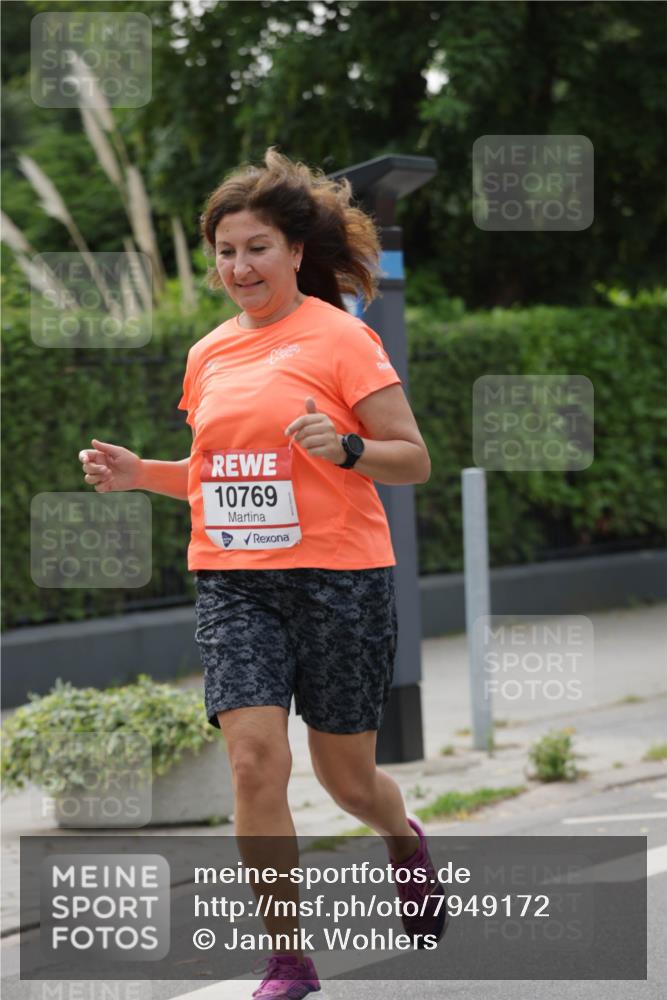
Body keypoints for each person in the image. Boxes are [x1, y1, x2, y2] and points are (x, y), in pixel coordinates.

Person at [78, 147, 447, 1000]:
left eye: (256, 248)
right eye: (225, 251)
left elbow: (413, 459)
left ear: (293, 251)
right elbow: (216, 474)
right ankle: (288, 959)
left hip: (339, 578)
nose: (239, 267)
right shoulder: (207, 353)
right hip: (235, 580)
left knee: (346, 780)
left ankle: (401, 838)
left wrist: (346, 448)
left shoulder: (341, 337)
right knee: (252, 761)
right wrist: (140, 473)